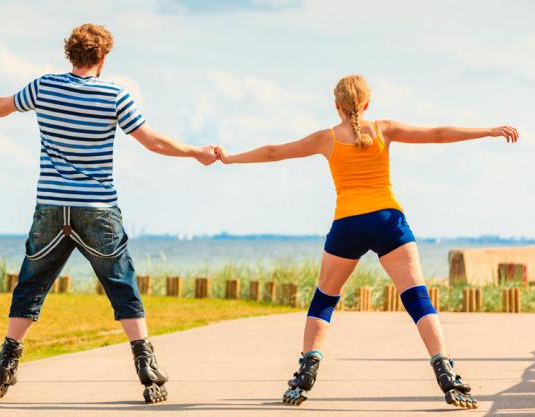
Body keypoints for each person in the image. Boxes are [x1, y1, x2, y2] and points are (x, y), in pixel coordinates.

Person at [0, 23, 217, 404]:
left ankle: (6, 363)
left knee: (31, 284)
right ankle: (147, 368)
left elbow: (1, 105)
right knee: (121, 284)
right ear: (103, 58)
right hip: (98, 210)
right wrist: (195, 152)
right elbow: (152, 141)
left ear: (70, 54)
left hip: (52, 208)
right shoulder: (114, 95)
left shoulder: (44, 87)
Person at [214, 74, 518, 409]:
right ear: (366, 104)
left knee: (324, 298)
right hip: (389, 221)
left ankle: (304, 375)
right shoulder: (384, 129)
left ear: (337, 106)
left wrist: (229, 158)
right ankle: (447, 374)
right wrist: (488, 130)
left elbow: (274, 152)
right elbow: (438, 134)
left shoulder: (326, 138)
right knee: (417, 298)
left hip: (348, 224)